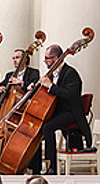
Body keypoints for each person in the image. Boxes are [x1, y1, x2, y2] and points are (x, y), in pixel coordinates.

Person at [37, 44, 93, 175]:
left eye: (47, 58)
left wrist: (50, 86)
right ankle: (35, 166)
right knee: (38, 126)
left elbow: (70, 94)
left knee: (48, 127)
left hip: (71, 112)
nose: (45, 61)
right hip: (58, 111)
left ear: (56, 58)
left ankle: (52, 167)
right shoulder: (51, 74)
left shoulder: (70, 73)